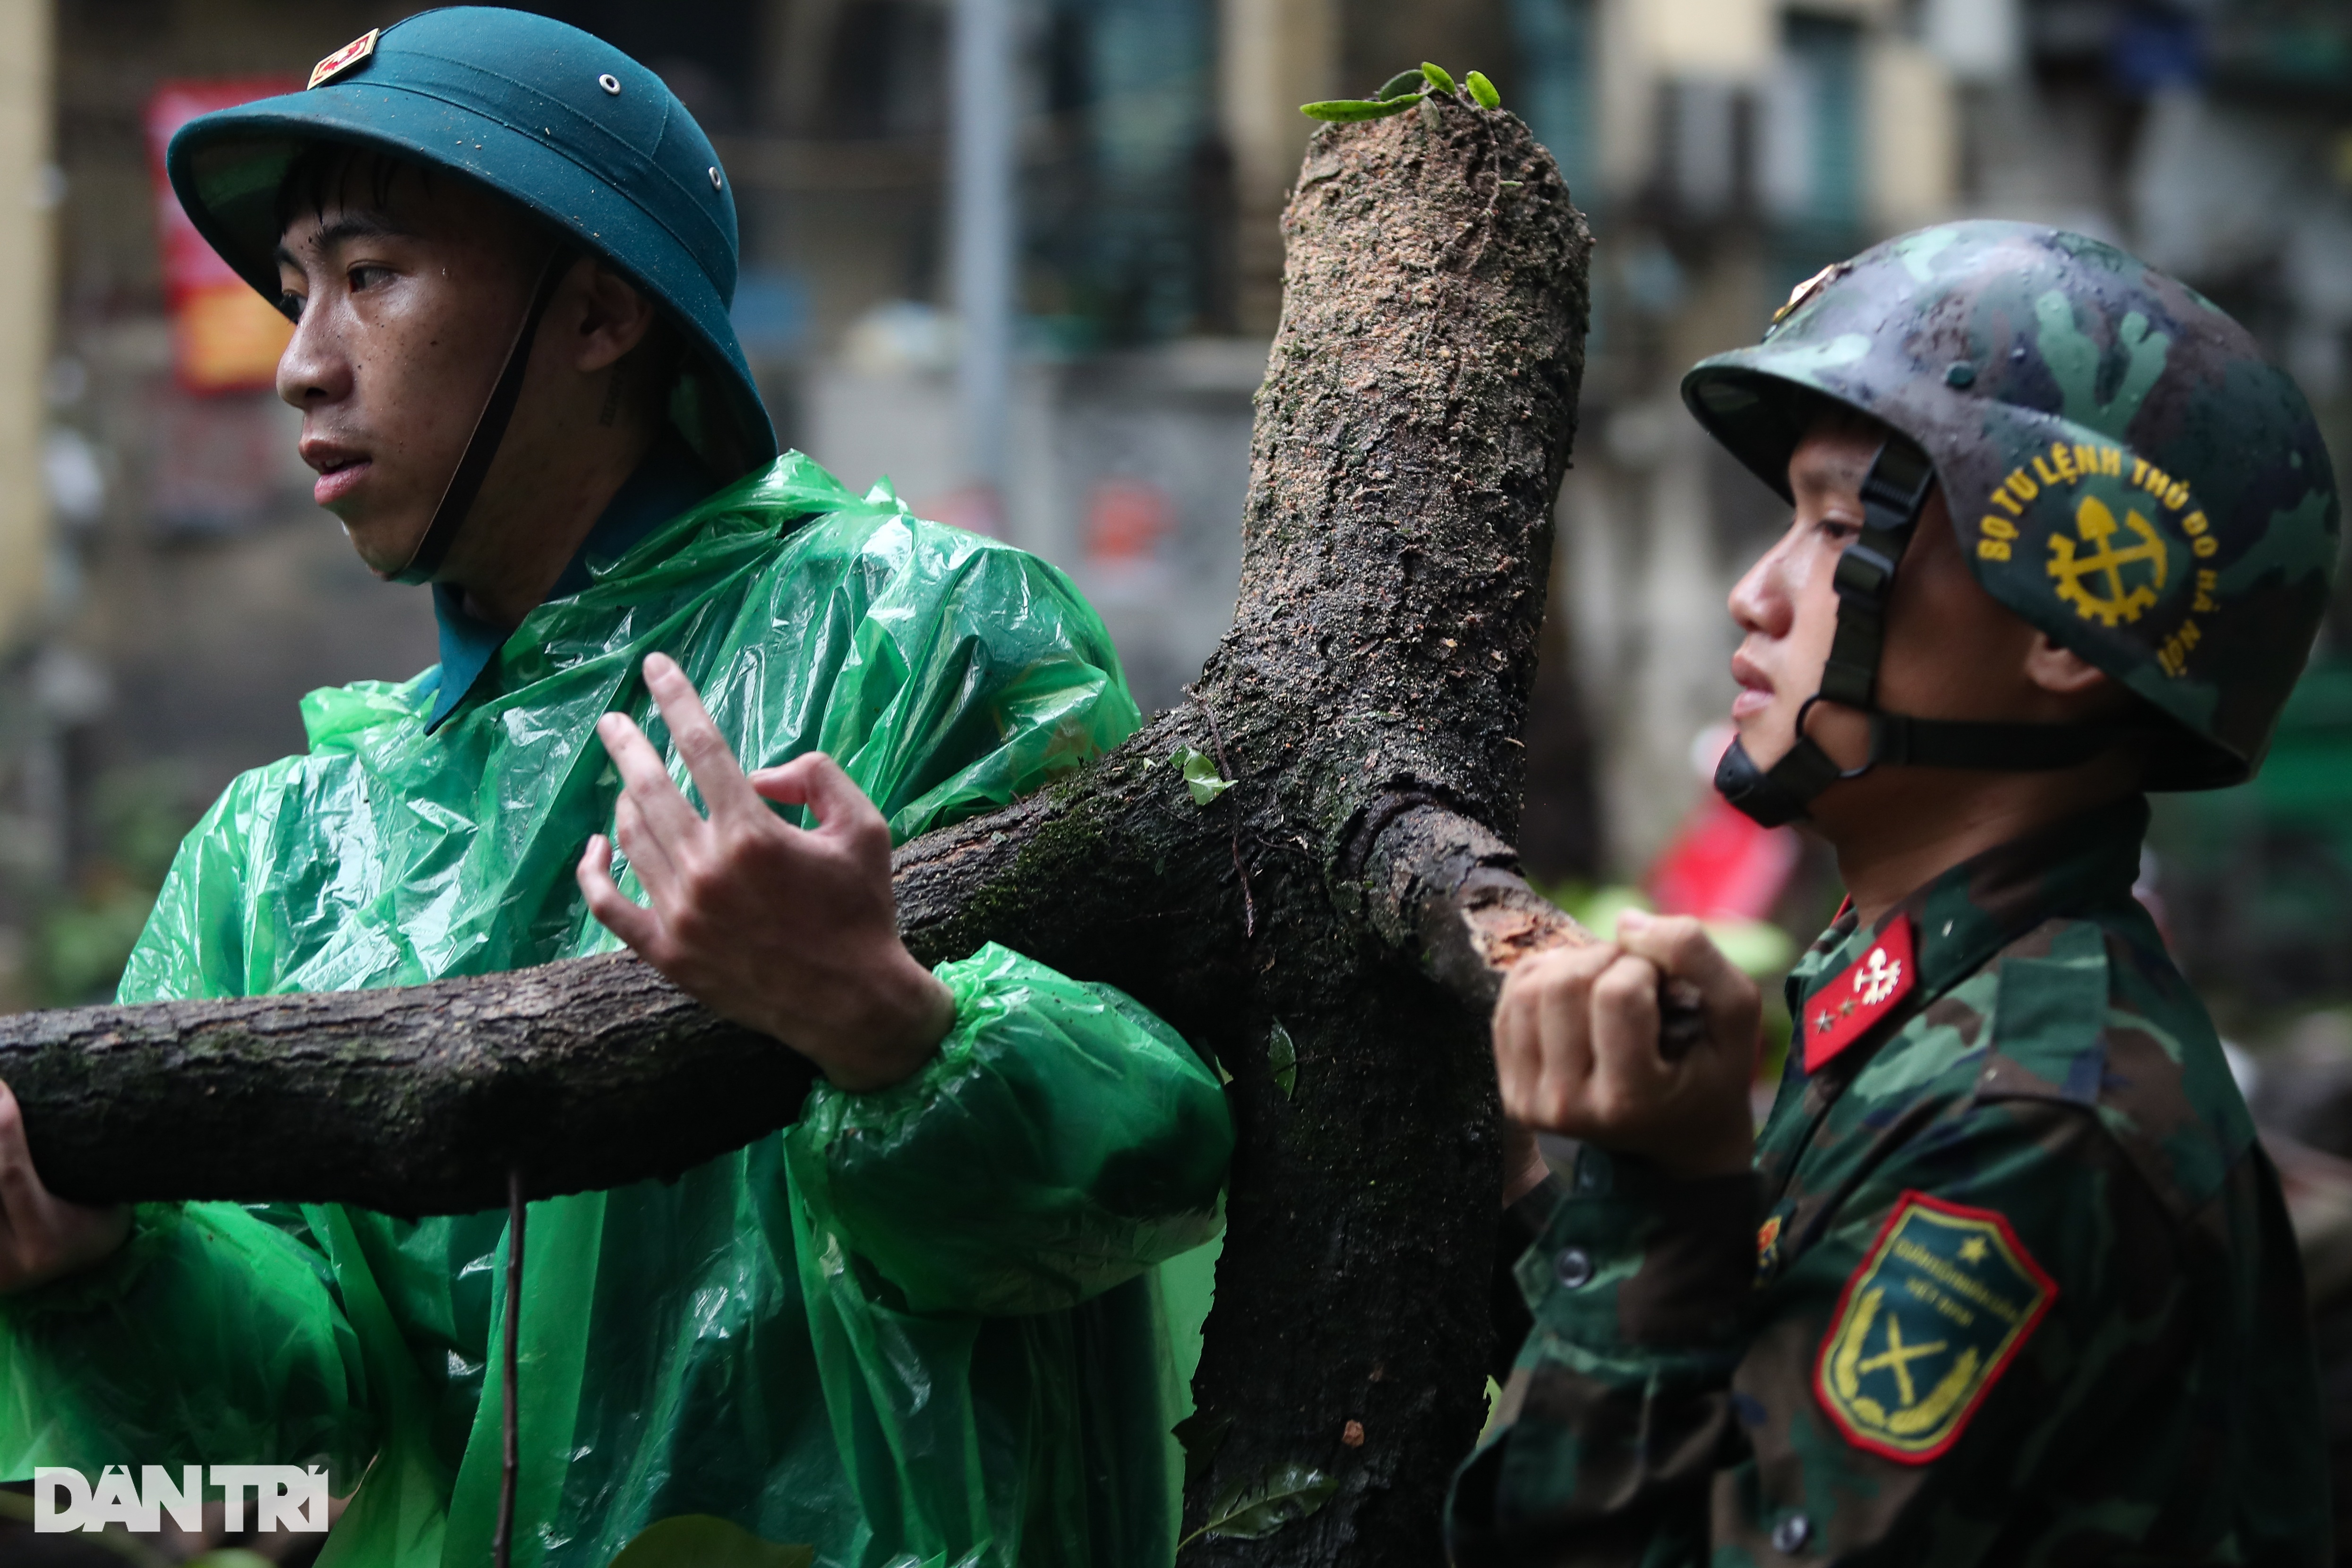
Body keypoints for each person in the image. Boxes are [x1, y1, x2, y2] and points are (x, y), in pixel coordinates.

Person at [0, 11, 1232, 1567]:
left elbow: (1148, 1164)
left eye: (372, 278)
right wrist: (92, 1265)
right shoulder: (286, 848)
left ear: (595, 313)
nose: (303, 362)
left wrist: (881, 1021)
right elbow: (284, 1459)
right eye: (297, 290)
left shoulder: (920, 641)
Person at [1450, 221, 2337, 1564]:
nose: (1754, 596)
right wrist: (1522, 1183)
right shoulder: (1933, 993)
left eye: (1833, 528)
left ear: (2067, 622)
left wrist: (1658, 1187)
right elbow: (1731, 1389)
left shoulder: (2035, 1119)